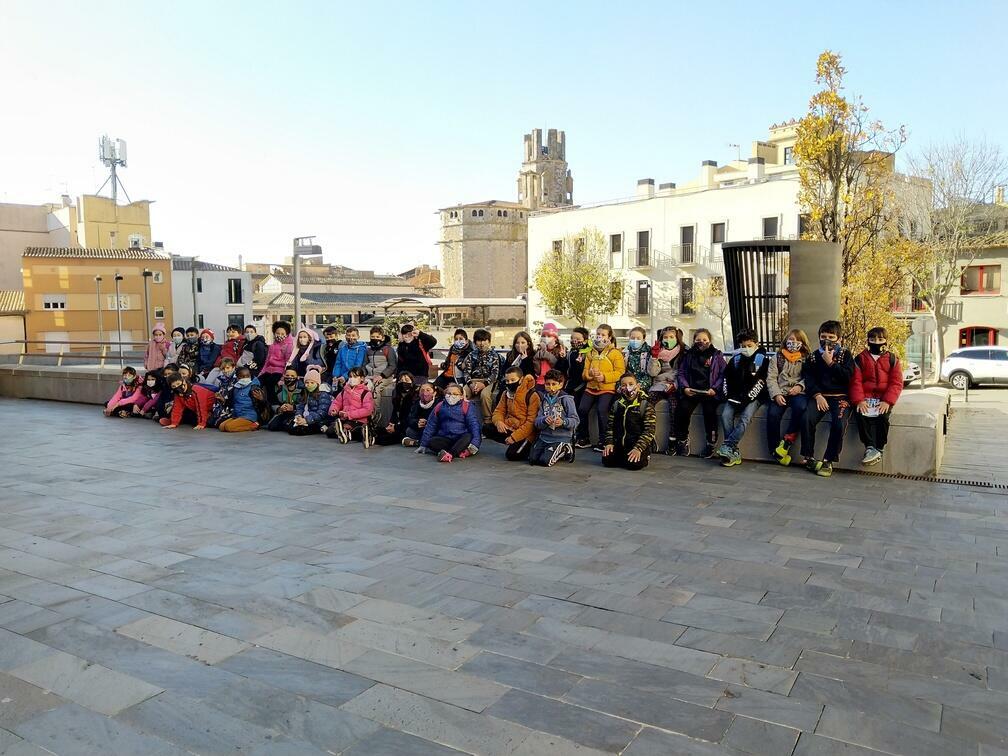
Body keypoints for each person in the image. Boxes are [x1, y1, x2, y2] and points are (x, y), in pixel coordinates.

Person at [801, 319, 855, 478]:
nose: (827, 340)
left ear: (838, 339)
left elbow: (848, 377)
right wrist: (817, 395)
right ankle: (808, 456)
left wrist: (831, 363)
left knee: (839, 424)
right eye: (823, 336)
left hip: (840, 397)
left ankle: (828, 459)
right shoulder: (812, 357)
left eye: (831, 337)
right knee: (806, 418)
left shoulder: (845, 354)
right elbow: (809, 379)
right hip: (820, 397)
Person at [850, 326, 903, 467]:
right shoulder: (860, 358)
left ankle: (879, 447)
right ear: (868, 340)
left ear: (886, 340)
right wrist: (859, 400)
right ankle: (870, 447)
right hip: (865, 397)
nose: (876, 342)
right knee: (861, 415)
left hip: (884, 398)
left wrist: (887, 401)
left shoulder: (892, 359)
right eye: (872, 339)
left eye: (880, 339)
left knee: (883, 418)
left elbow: (896, 382)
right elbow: (856, 382)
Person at [716, 329, 769, 467]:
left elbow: (760, 382)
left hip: (754, 397)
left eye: (749, 346)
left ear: (756, 344)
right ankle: (733, 451)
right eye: (743, 346)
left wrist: (746, 399)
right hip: (734, 396)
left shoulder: (762, 359)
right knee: (725, 415)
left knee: (745, 418)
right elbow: (727, 378)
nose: (746, 349)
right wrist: (729, 396)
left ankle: (727, 446)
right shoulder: (736, 359)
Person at [672, 328, 725, 458]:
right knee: (682, 409)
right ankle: (683, 439)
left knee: (710, 413)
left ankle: (711, 443)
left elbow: (723, 374)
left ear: (710, 341)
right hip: (692, 391)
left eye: (704, 340)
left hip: (709, 392)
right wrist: (685, 387)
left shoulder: (717, 355)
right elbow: (681, 372)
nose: (701, 342)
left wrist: (715, 389)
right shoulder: (688, 355)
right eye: (698, 340)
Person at [576, 324, 625, 452]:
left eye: (603, 335)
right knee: (582, 409)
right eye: (598, 334)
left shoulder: (615, 353)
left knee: (602, 410)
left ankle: (604, 440)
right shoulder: (591, 352)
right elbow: (585, 371)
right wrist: (589, 375)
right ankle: (583, 438)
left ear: (609, 337)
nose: (600, 337)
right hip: (591, 386)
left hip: (607, 388)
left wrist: (604, 377)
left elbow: (620, 372)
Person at [766, 329, 811, 466]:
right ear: (786, 341)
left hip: (798, 392)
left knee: (801, 407)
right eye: (791, 340)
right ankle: (775, 451)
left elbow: (809, 377)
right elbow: (771, 378)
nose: (794, 343)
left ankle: (788, 439)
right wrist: (776, 394)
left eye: (798, 340)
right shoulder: (777, 358)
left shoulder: (807, 358)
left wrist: (800, 387)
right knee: (773, 414)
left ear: (803, 343)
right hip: (781, 392)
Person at [603, 372, 657, 471]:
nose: (628, 387)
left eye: (631, 384)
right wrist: (609, 443)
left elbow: (649, 431)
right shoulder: (616, 404)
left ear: (638, 386)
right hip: (620, 443)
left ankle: (645, 455)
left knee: (633, 465)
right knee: (607, 460)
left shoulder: (646, 405)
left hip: (636, 444)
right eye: (624, 385)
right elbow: (610, 426)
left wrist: (638, 448)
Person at [485, 368, 540, 461]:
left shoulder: (532, 395)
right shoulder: (506, 394)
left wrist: (514, 437)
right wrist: (499, 422)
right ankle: (513, 442)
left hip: (527, 434)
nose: (509, 383)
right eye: (507, 380)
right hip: (511, 427)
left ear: (521, 379)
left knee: (512, 455)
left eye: (513, 380)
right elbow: (498, 411)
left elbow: (531, 423)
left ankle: (527, 446)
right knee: (486, 428)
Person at [417, 383, 482, 463]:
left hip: (461, 437)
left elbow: (474, 425)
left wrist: (475, 445)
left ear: (461, 396)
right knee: (432, 442)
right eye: (449, 394)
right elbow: (431, 425)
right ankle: (458, 451)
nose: (451, 396)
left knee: (468, 436)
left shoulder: (467, 406)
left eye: (455, 394)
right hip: (446, 438)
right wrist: (423, 445)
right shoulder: (439, 406)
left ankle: (450, 454)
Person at [529, 369, 579, 467]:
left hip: (561, 437)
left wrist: (563, 422)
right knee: (532, 460)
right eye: (548, 384)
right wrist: (544, 420)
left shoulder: (566, 399)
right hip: (544, 436)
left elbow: (576, 420)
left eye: (554, 384)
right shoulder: (543, 399)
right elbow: (537, 421)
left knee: (545, 462)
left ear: (560, 385)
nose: (551, 387)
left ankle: (565, 449)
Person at [647, 326, 684, 453]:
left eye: (672, 337)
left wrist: (675, 385)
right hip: (659, 384)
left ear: (677, 338)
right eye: (665, 337)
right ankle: (648, 437)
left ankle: (673, 439)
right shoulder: (657, 351)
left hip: (675, 385)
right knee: (647, 404)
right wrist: (654, 358)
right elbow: (653, 373)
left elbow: (683, 373)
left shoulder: (684, 352)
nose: (668, 339)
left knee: (674, 407)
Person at [456, 329, 501, 425]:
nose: (482, 343)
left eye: (485, 340)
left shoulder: (494, 355)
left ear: (489, 342)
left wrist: (484, 384)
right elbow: (466, 372)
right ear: (475, 342)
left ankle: (488, 420)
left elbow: (495, 374)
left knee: (484, 395)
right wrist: (470, 384)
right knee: (461, 393)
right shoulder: (471, 355)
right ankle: (461, 419)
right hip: (472, 380)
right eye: (479, 340)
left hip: (489, 381)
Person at [327, 366, 376, 446]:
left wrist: (349, 414)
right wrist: (334, 410)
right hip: (345, 418)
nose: (352, 379)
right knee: (330, 431)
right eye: (350, 376)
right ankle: (346, 433)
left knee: (355, 429)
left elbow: (368, 410)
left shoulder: (366, 393)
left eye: (355, 377)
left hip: (359, 421)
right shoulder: (344, 391)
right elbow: (336, 402)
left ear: (362, 378)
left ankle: (359, 434)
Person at [364, 325, 399, 421]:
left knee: (376, 388)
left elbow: (392, 365)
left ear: (382, 337)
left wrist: (382, 375)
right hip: (370, 375)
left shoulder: (388, 350)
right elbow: (365, 364)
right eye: (373, 337)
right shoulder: (368, 350)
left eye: (377, 337)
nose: (375, 339)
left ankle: (375, 413)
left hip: (384, 376)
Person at [375, 372, 417, 445]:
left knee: (384, 439)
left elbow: (409, 417)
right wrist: (391, 424)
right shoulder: (397, 394)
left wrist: (396, 427)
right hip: (397, 423)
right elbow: (395, 411)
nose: (403, 382)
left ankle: (408, 440)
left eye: (406, 380)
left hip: (407, 425)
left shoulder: (414, 396)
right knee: (379, 430)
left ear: (412, 381)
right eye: (401, 381)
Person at [218, 366, 263, 432]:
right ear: (237, 378)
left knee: (229, 427)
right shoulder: (236, 388)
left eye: (247, 376)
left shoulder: (254, 387)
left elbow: (262, 405)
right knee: (221, 427)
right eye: (242, 376)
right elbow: (231, 403)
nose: (245, 378)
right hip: (237, 415)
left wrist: (261, 399)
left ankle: (253, 426)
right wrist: (223, 400)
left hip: (249, 416)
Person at [288, 367, 331, 436]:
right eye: (307, 382)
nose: (309, 385)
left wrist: (307, 420)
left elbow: (322, 412)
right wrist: (298, 416)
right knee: (291, 426)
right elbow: (300, 407)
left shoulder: (323, 394)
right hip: (305, 417)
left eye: (312, 382)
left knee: (300, 430)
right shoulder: (305, 393)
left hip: (317, 421)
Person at [259, 321, 294, 403]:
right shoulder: (272, 346)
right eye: (277, 333)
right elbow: (267, 361)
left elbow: (287, 363)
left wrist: (283, 377)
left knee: (269, 384)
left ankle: (274, 405)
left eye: (282, 333)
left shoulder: (288, 346)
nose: (280, 335)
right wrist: (261, 373)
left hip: (279, 371)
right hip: (268, 370)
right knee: (256, 383)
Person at [532, 323, 569, 394]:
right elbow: (537, 371)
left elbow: (559, 368)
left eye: (549, 336)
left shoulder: (560, 351)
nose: (546, 338)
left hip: (553, 383)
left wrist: (547, 354)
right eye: (544, 336)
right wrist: (536, 358)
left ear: (555, 339)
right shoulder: (539, 351)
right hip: (540, 382)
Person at [565, 327, 591, 423]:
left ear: (585, 341)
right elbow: (566, 369)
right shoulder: (571, 352)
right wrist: (562, 358)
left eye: (578, 339)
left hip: (581, 387)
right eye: (572, 338)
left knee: (580, 411)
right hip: (570, 385)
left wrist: (579, 363)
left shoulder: (587, 353)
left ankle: (582, 435)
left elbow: (583, 372)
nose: (574, 341)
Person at [401, 381, 439, 447]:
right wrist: (417, 422)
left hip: (433, 430)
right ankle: (422, 442)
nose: (425, 393)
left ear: (434, 393)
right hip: (420, 429)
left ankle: (417, 442)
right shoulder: (416, 403)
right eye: (422, 390)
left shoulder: (439, 404)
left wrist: (427, 422)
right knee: (409, 431)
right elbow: (410, 419)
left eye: (428, 390)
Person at [207, 358, 239, 427]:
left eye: (228, 368)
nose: (225, 371)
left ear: (233, 367)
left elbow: (235, 399)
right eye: (223, 369)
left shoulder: (237, 380)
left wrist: (223, 399)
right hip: (222, 407)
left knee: (217, 424)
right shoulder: (222, 379)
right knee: (209, 422)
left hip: (232, 409)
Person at [623, 326, 653, 392]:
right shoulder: (625, 352)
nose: (635, 340)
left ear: (643, 339)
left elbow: (649, 375)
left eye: (638, 338)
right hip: (628, 383)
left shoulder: (649, 352)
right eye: (632, 338)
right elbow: (623, 372)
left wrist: (638, 386)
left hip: (643, 385)